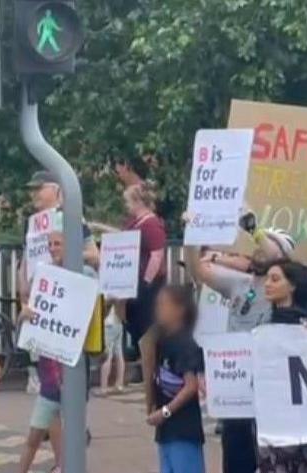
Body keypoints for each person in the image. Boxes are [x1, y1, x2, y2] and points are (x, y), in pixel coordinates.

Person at [184, 220, 295, 473]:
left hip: (268, 390)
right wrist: (192, 237)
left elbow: (275, 254)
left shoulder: (285, 293)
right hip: (235, 389)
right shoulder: (240, 284)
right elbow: (197, 270)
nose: (257, 247)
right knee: (235, 454)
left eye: (264, 243)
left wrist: (255, 229)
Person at [19, 170, 100, 394]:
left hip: (66, 304)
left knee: (67, 373)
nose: (33, 194)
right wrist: (23, 291)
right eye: (31, 190)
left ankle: (73, 422)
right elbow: (27, 260)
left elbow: (94, 255)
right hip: (42, 302)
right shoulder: (32, 224)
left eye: (38, 188)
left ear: (55, 190)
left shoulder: (71, 217)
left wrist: (67, 254)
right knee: (49, 377)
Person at [257, 259, 307, 472]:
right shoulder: (264, 324)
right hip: (272, 419)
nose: (267, 284)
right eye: (267, 279)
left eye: (275, 279)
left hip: (302, 423)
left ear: (292, 286)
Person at [146, 285, 205, 473]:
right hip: (167, 432)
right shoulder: (163, 340)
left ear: (179, 310)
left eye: (164, 304)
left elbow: (191, 386)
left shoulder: (185, 344)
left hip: (183, 430)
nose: (158, 310)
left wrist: (164, 412)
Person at [121, 182, 167, 356]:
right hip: (134, 280)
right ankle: (141, 357)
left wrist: (146, 282)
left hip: (149, 283)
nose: (126, 205)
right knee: (134, 321)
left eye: (128, 201)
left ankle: (149, 362)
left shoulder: (151, 224)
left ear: (138, 201)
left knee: (146, 323)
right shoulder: (136, 223)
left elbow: (157, 254)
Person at [96, 303, 127, 395]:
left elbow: (104, 307)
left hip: (108, 324)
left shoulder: (107, 291)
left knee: (107, 356)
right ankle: (119, 384)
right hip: (118, 323)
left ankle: (103, 388)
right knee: (119, 354)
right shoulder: (121, 291)